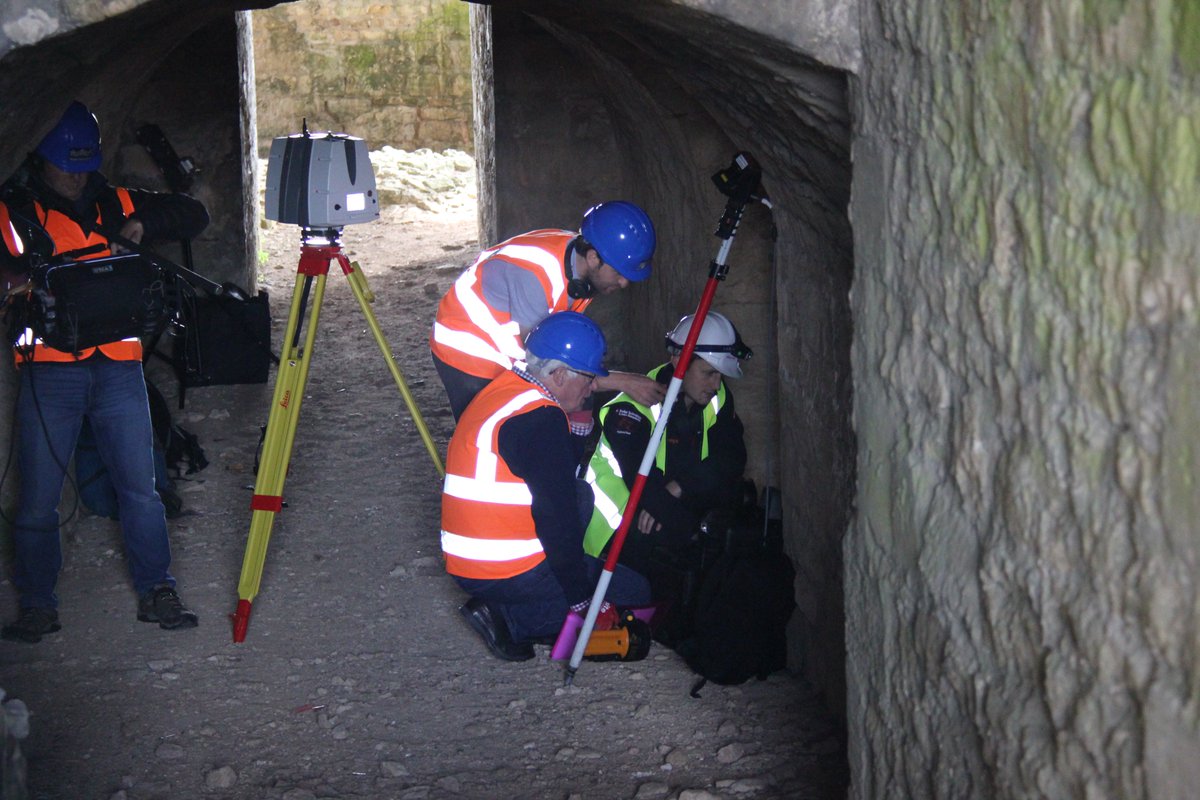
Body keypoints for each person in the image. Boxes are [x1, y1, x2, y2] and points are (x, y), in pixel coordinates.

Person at [0, 101, 209, 643]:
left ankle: (157, 588)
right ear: (42, 161)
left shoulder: (115, 202)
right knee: (39, 499)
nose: (73, 175)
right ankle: (38, 604)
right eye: (64, 165)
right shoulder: (16, 213)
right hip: (50, 374)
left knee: (140, 490)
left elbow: (194, 214)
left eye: (82, 165)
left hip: (118, 369)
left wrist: (144, 221)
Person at [441, 311, 651, 661]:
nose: (592, 387)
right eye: (588, 379)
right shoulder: (541, 420)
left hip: (470, 558)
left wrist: (579, 418)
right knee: (635, 591)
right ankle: (509, 618)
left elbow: (560, 475)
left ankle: (520, 600)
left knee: (581, 495)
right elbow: (557, 519)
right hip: (505, 569)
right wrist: (581, 598)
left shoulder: (507, 389)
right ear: (557, 374)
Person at [429, 201, 667, 422]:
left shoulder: (578, 264)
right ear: (594, 258)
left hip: (502, 344)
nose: (624, 283)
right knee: (495, 430)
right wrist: (623, 382)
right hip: (468, 349)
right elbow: (541, 367)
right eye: (620, 273)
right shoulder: (536, 276)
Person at [582, 311, 751, 579]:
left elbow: (731, 459)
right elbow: (642, 486)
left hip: (665, 514)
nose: (716, 384)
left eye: (720, 375)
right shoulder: (631, 409)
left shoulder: (716, 398)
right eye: (708, 373)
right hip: (612, 536)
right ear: (678, 361)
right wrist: (694, 533)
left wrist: (679, 487)